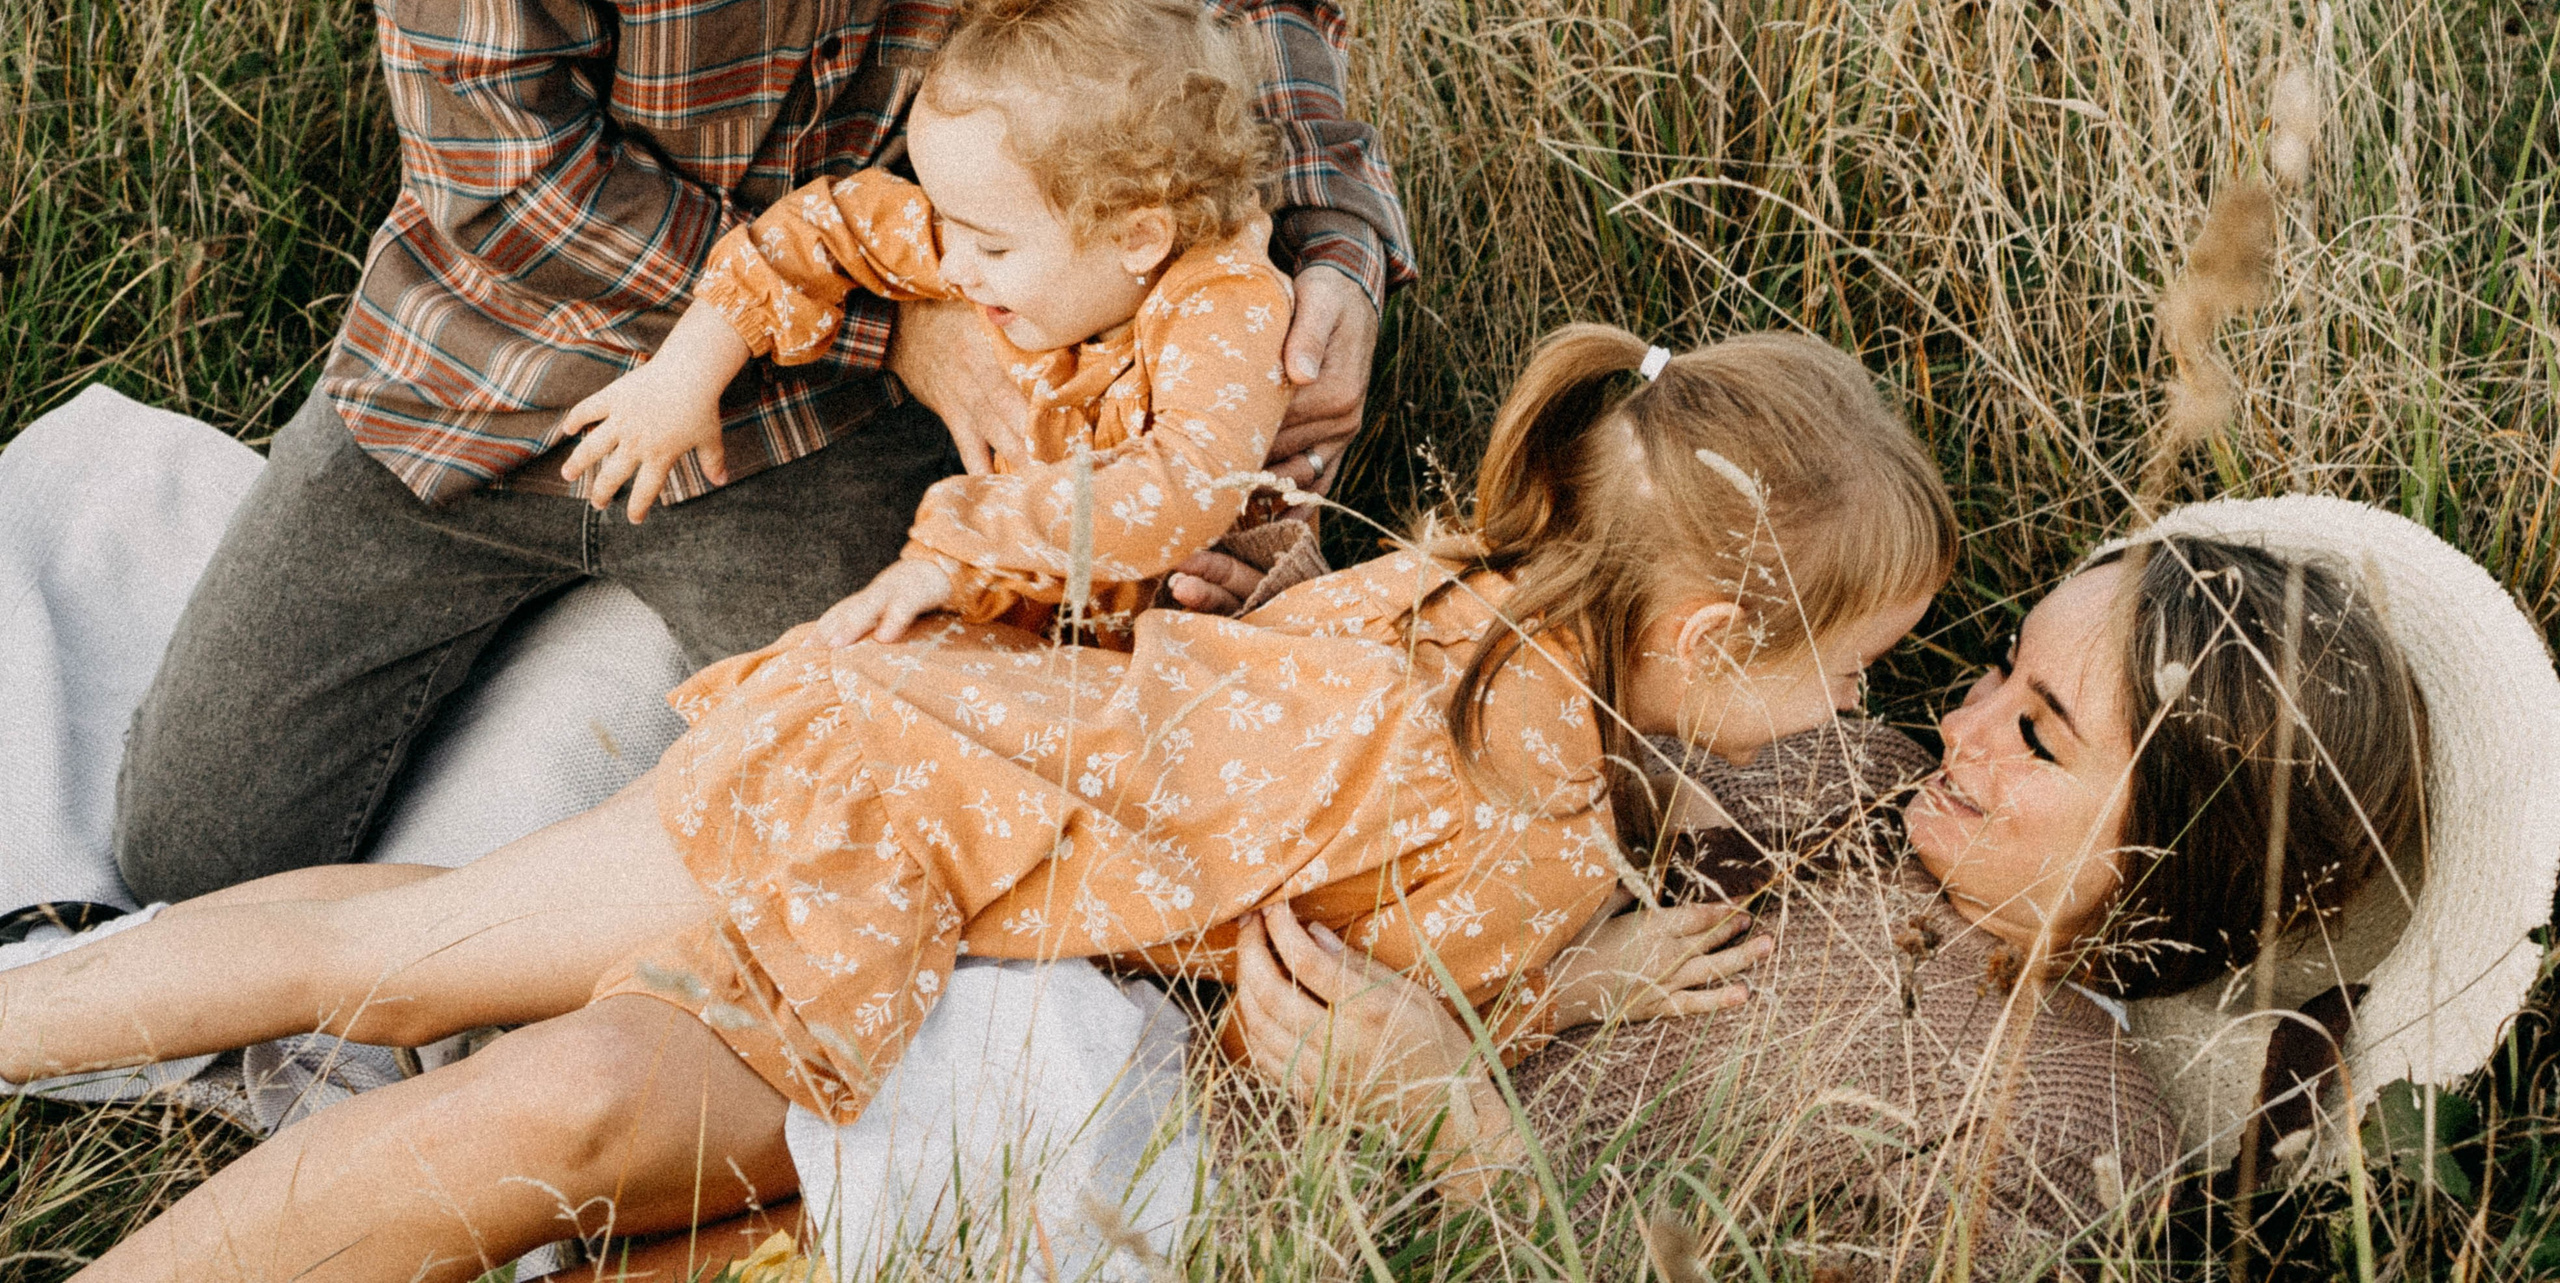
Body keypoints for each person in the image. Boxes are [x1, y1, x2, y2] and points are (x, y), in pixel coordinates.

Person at [0, 323, 1958, 1280]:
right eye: (1842, 656)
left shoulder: (1452, 567)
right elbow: (1374, 1022)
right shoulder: (1534, 826)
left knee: (403, 947)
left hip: (885, 726)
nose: (1856, 696)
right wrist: (1583, 981)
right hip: (908, 852)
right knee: (544, 1091)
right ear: (1696, 632)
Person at [108, 0, 1411, 905]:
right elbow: (499, 168)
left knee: (907, 861)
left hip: (827, 434)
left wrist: (1335, 246)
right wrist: (900, 328)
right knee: (188, 862)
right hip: (498, 367)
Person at [1231, 531, 2432, 1276]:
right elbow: (1531, 746)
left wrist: (1451, 1121)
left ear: (2179, 854)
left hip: (1262, 1224)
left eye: (2035, 736)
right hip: (1217, 1001)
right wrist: (1312, 627)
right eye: (2000, 665)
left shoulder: (2072, 1133)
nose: (1959, 727)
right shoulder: (1855, 766)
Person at [556, 0, 1309, 646]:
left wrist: (954, 551)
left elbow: (1176, 486)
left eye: (990, 244)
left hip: (1186, 640)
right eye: (946, 222)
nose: (951, 270)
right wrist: (690, 369)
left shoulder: (1224, 301)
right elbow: (826, 227)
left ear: (1137, 236)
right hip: (1034, 617)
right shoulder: (985, 232)